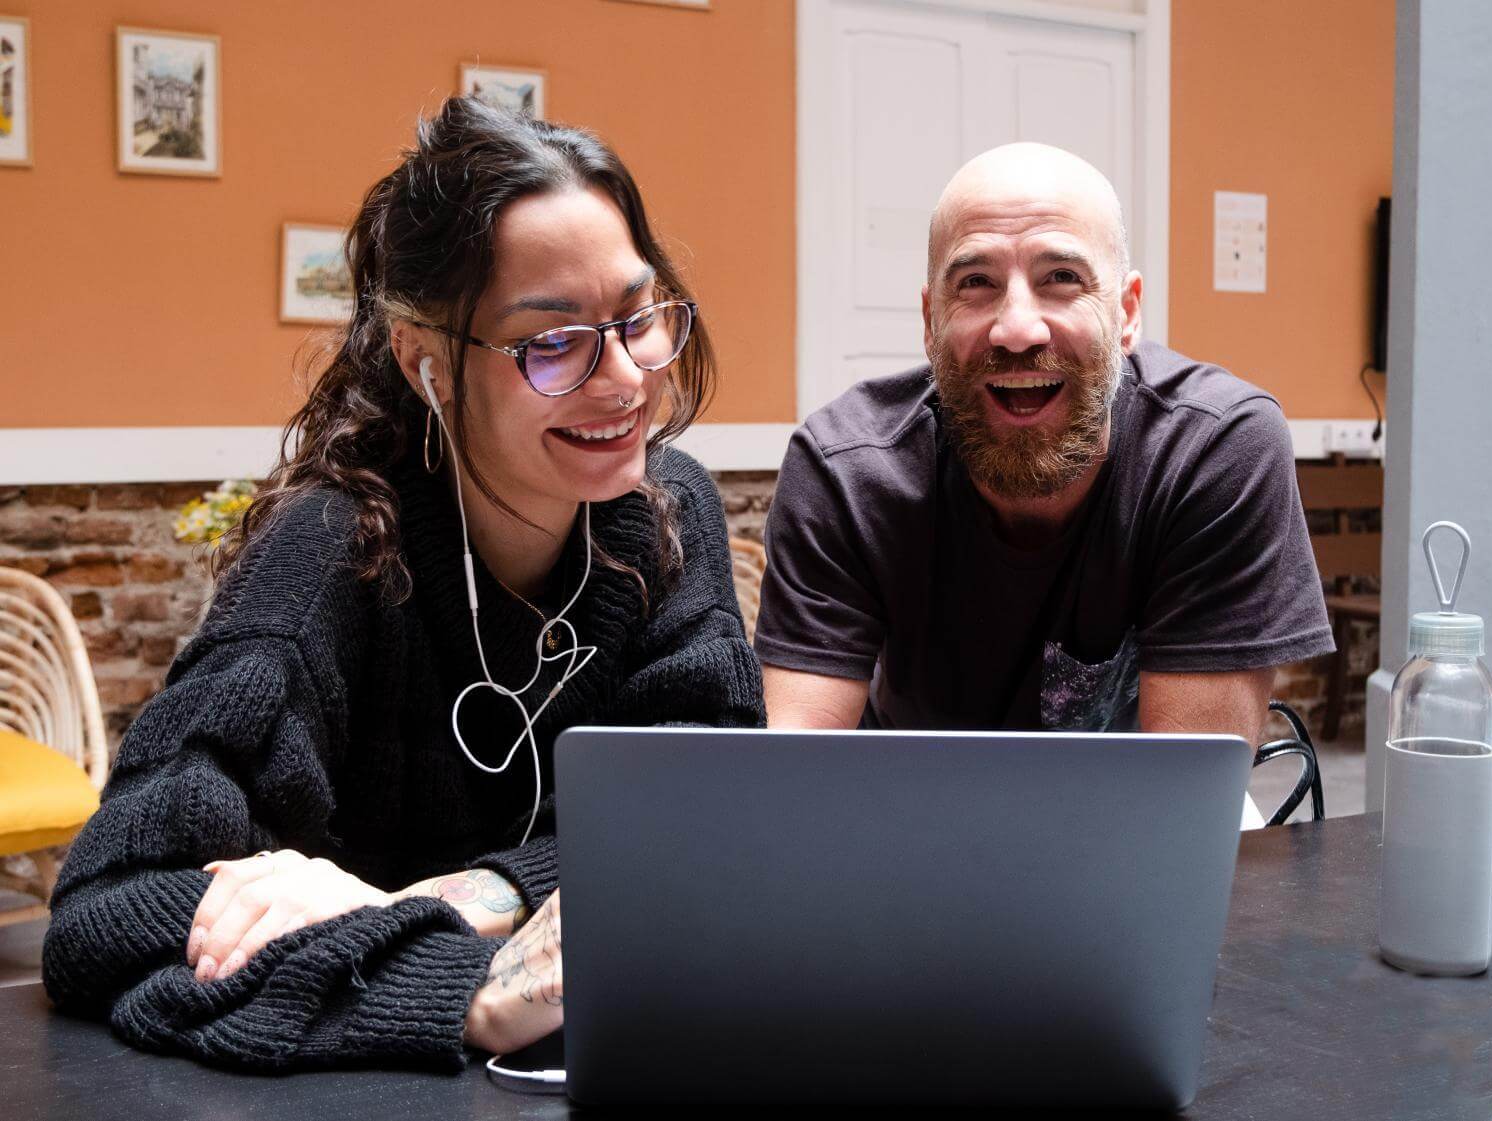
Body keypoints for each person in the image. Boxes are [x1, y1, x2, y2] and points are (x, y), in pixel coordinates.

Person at [43, 98, 762, 1070]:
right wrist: (464, 988)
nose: (627, 376)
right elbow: (106, 908)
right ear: (426, 362)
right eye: (551, 342)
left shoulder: (668, 512)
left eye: (637, 317)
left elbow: (708, 820)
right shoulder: (329, 553)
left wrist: (438, 900)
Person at [757, 143, 1333, 747]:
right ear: (930, 322)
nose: (1016, 330)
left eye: (1061, 278)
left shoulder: (1213, 451)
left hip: (1129, 829)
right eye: (976, 282)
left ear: (1127, 312)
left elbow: (1179, 804)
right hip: (910, 818)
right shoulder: (845, 472)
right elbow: (797, 776)